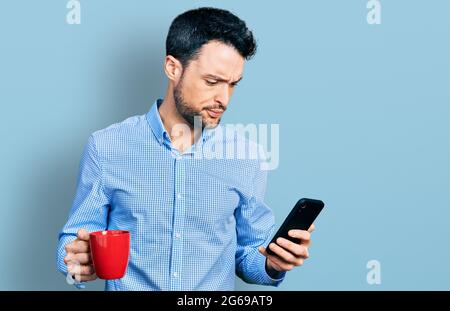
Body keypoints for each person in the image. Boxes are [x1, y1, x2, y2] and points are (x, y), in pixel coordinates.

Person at [56, 7, 314, 290]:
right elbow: (74, 237)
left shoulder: (246, 157)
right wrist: (75, 258)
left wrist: (272, 265)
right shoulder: (106, 147)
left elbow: (249, 253)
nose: (223, 99)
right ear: (172, 68)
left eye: (233, 85)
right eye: (212, 82)